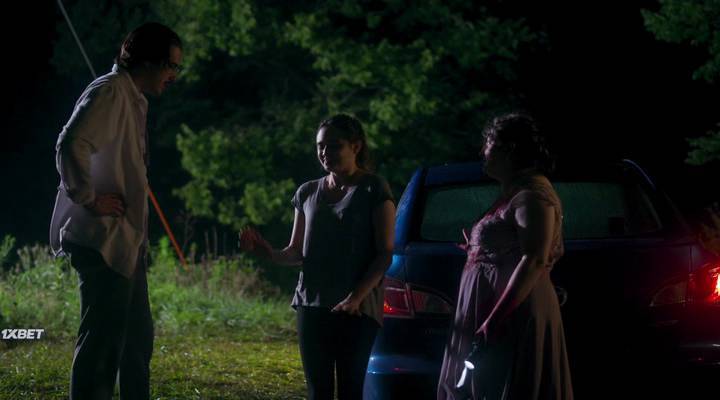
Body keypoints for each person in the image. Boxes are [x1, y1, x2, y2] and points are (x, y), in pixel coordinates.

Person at [49, 22, 182, 400]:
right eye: (172, 66)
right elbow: (70, 143)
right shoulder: (109, 91)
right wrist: (88, 197)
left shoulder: (133, 98)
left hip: (125, 242)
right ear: (149, 61)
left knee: (137, 339)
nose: (174, 75)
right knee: (102, 345)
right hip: (102, 239)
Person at [239, 114, 396, 400]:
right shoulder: (307, 192)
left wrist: (356, 298)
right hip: (311, 305)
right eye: (321, 146)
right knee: (318, 391)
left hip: (357, 310)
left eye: (334, 146)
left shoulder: (373, 188)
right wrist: (268, 253)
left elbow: (385, 253)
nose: (325, 152)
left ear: (356, 146)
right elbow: (296, 252)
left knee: (350, 391)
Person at [437, 113, 573, 400]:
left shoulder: (532, 195)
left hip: (511, 312)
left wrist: (493, 320)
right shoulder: (514, 192)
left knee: (507, 382)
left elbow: (534, 258)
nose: (482, 152)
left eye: (488, 143)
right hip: (493, 308)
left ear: (509, 149)